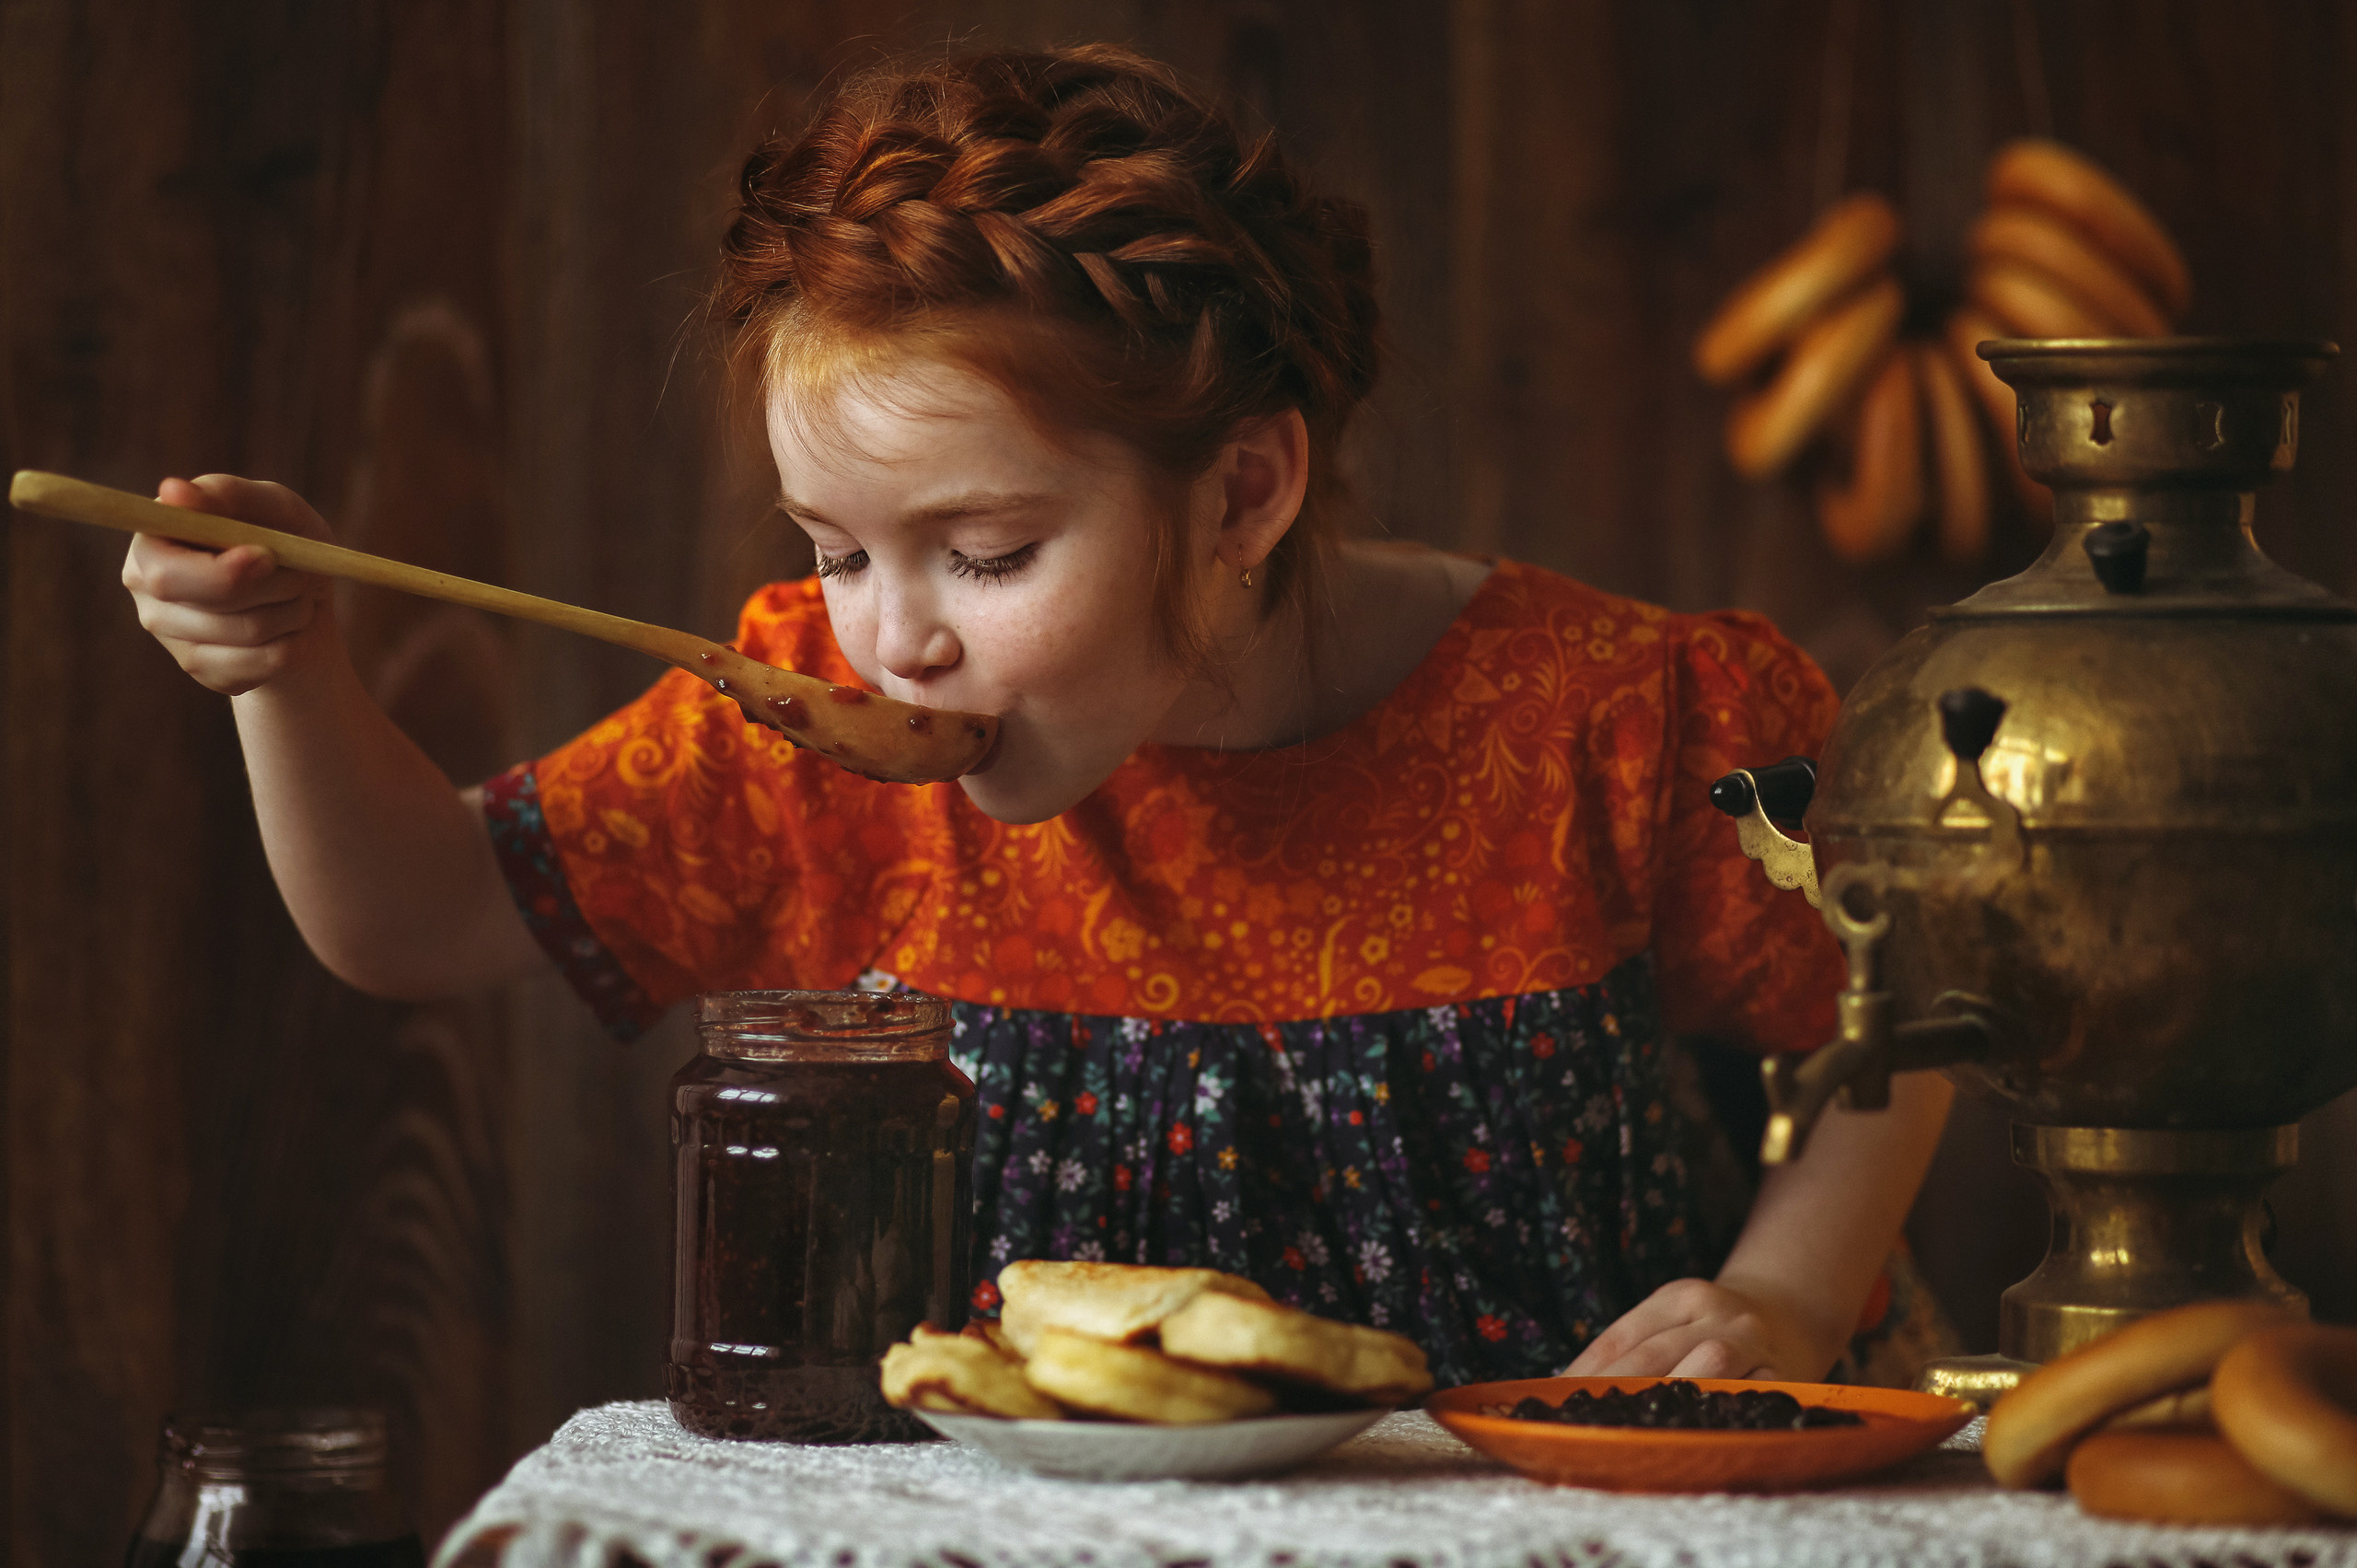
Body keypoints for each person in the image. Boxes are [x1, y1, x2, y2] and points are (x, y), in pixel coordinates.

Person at [121, 43, 1951, 1388]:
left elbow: (1900, 1001)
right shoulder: (805, 723)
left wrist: (1784, 1296)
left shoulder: (1613, 720)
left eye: (983, 554)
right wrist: (283, 668)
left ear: (1242, 495)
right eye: (835, 549)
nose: (890, 639)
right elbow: (414, 916)